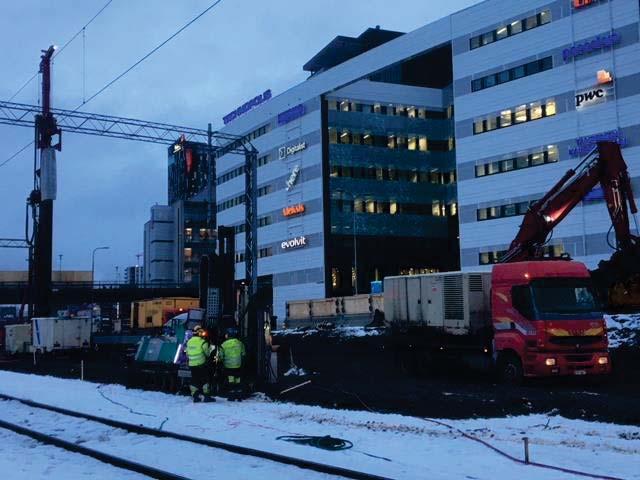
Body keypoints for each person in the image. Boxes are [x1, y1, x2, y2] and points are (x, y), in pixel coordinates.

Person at [186, 325, 215, 403]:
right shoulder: (203, 342)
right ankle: (206, 396)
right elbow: (208, 353)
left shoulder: (189, 341)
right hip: (201, 364)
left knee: (194, 380)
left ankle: (195, 396)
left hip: (192, 364)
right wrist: (212, 347)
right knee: (205, 380)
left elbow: (187, 353)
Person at [218, 327, 246, 401]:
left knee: (231, 379)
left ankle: (231, 396)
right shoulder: (240, 343)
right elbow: (243, 354)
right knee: (238, 379)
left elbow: (220, 356)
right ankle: (239, 395)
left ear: (228, 335)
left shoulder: (224, 344)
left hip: (228, 366)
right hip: (238, 365)